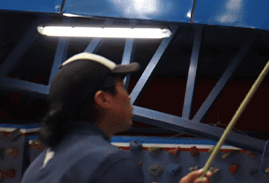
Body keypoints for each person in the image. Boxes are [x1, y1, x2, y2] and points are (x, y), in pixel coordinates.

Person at [23, 52, 211, 183]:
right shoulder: (111, 163)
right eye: (121, 87)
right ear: (103, 99)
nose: (128, 96)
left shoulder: (38, 168)